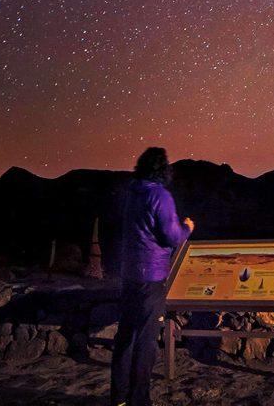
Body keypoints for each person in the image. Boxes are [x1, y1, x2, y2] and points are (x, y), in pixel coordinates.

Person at [111, 147, 194, 406]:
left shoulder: (132, 192)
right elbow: (171, 236)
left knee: (125, 335)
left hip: (130, 274)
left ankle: (119, 398)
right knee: (146, 340)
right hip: (151, 276)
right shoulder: (160, 195)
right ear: (163, 169)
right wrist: (187, 228)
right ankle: (139, 400)